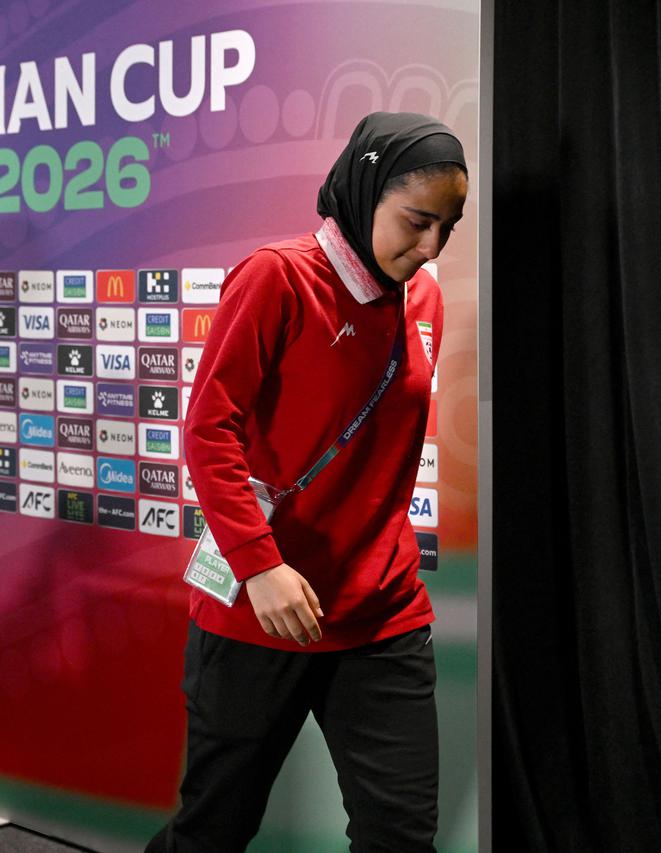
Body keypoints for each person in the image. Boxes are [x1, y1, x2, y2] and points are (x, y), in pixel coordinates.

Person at [149, 112, 467, 852]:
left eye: (446, 228)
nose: (429, 248)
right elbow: (209, 431)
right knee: (214, 829)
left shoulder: (424, 300)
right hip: (260, 612)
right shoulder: (277, 277)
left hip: (380, 612)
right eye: (416, 221)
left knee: (401, 832)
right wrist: (260, 566)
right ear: (364, 190)